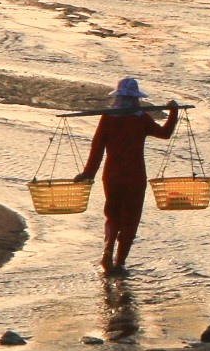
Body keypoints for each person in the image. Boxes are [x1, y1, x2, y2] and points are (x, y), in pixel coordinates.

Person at [75, 77, 178, 274]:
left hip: (112, 176)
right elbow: (165, 133)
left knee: (112, 216)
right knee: (130, 220)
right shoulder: (141, 119)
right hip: (135, 176)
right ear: (135, 99)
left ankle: (107, 250)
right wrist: (173, 112)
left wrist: (88, 173)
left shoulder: (107, 118)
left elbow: (97, 149)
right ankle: (120, 262)